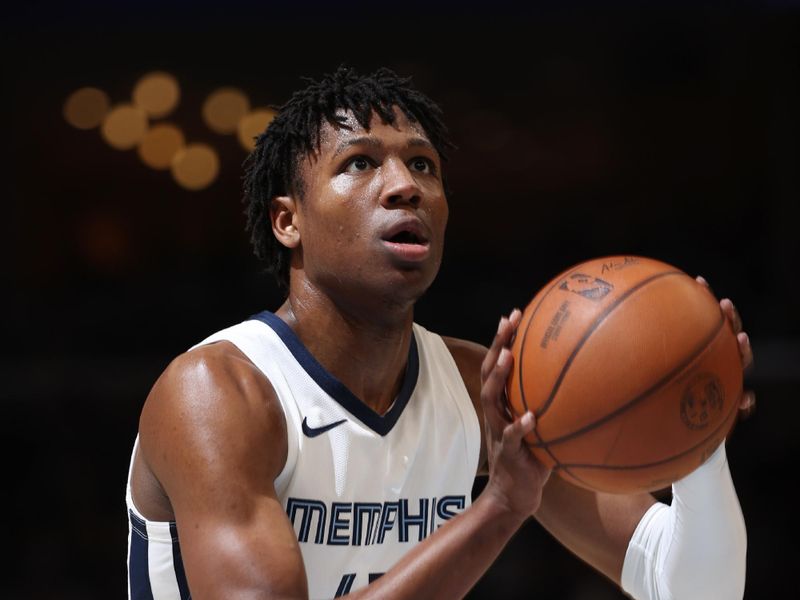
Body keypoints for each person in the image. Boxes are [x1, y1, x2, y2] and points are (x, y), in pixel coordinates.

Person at [126, 66, 754, 600]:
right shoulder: (217, 393)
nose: (406, 186)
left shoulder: (477, 386)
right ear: (289, 221)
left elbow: (687, 587)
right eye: (360, 162)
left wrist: (695, 426)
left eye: (422, 164)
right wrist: (501, 507)